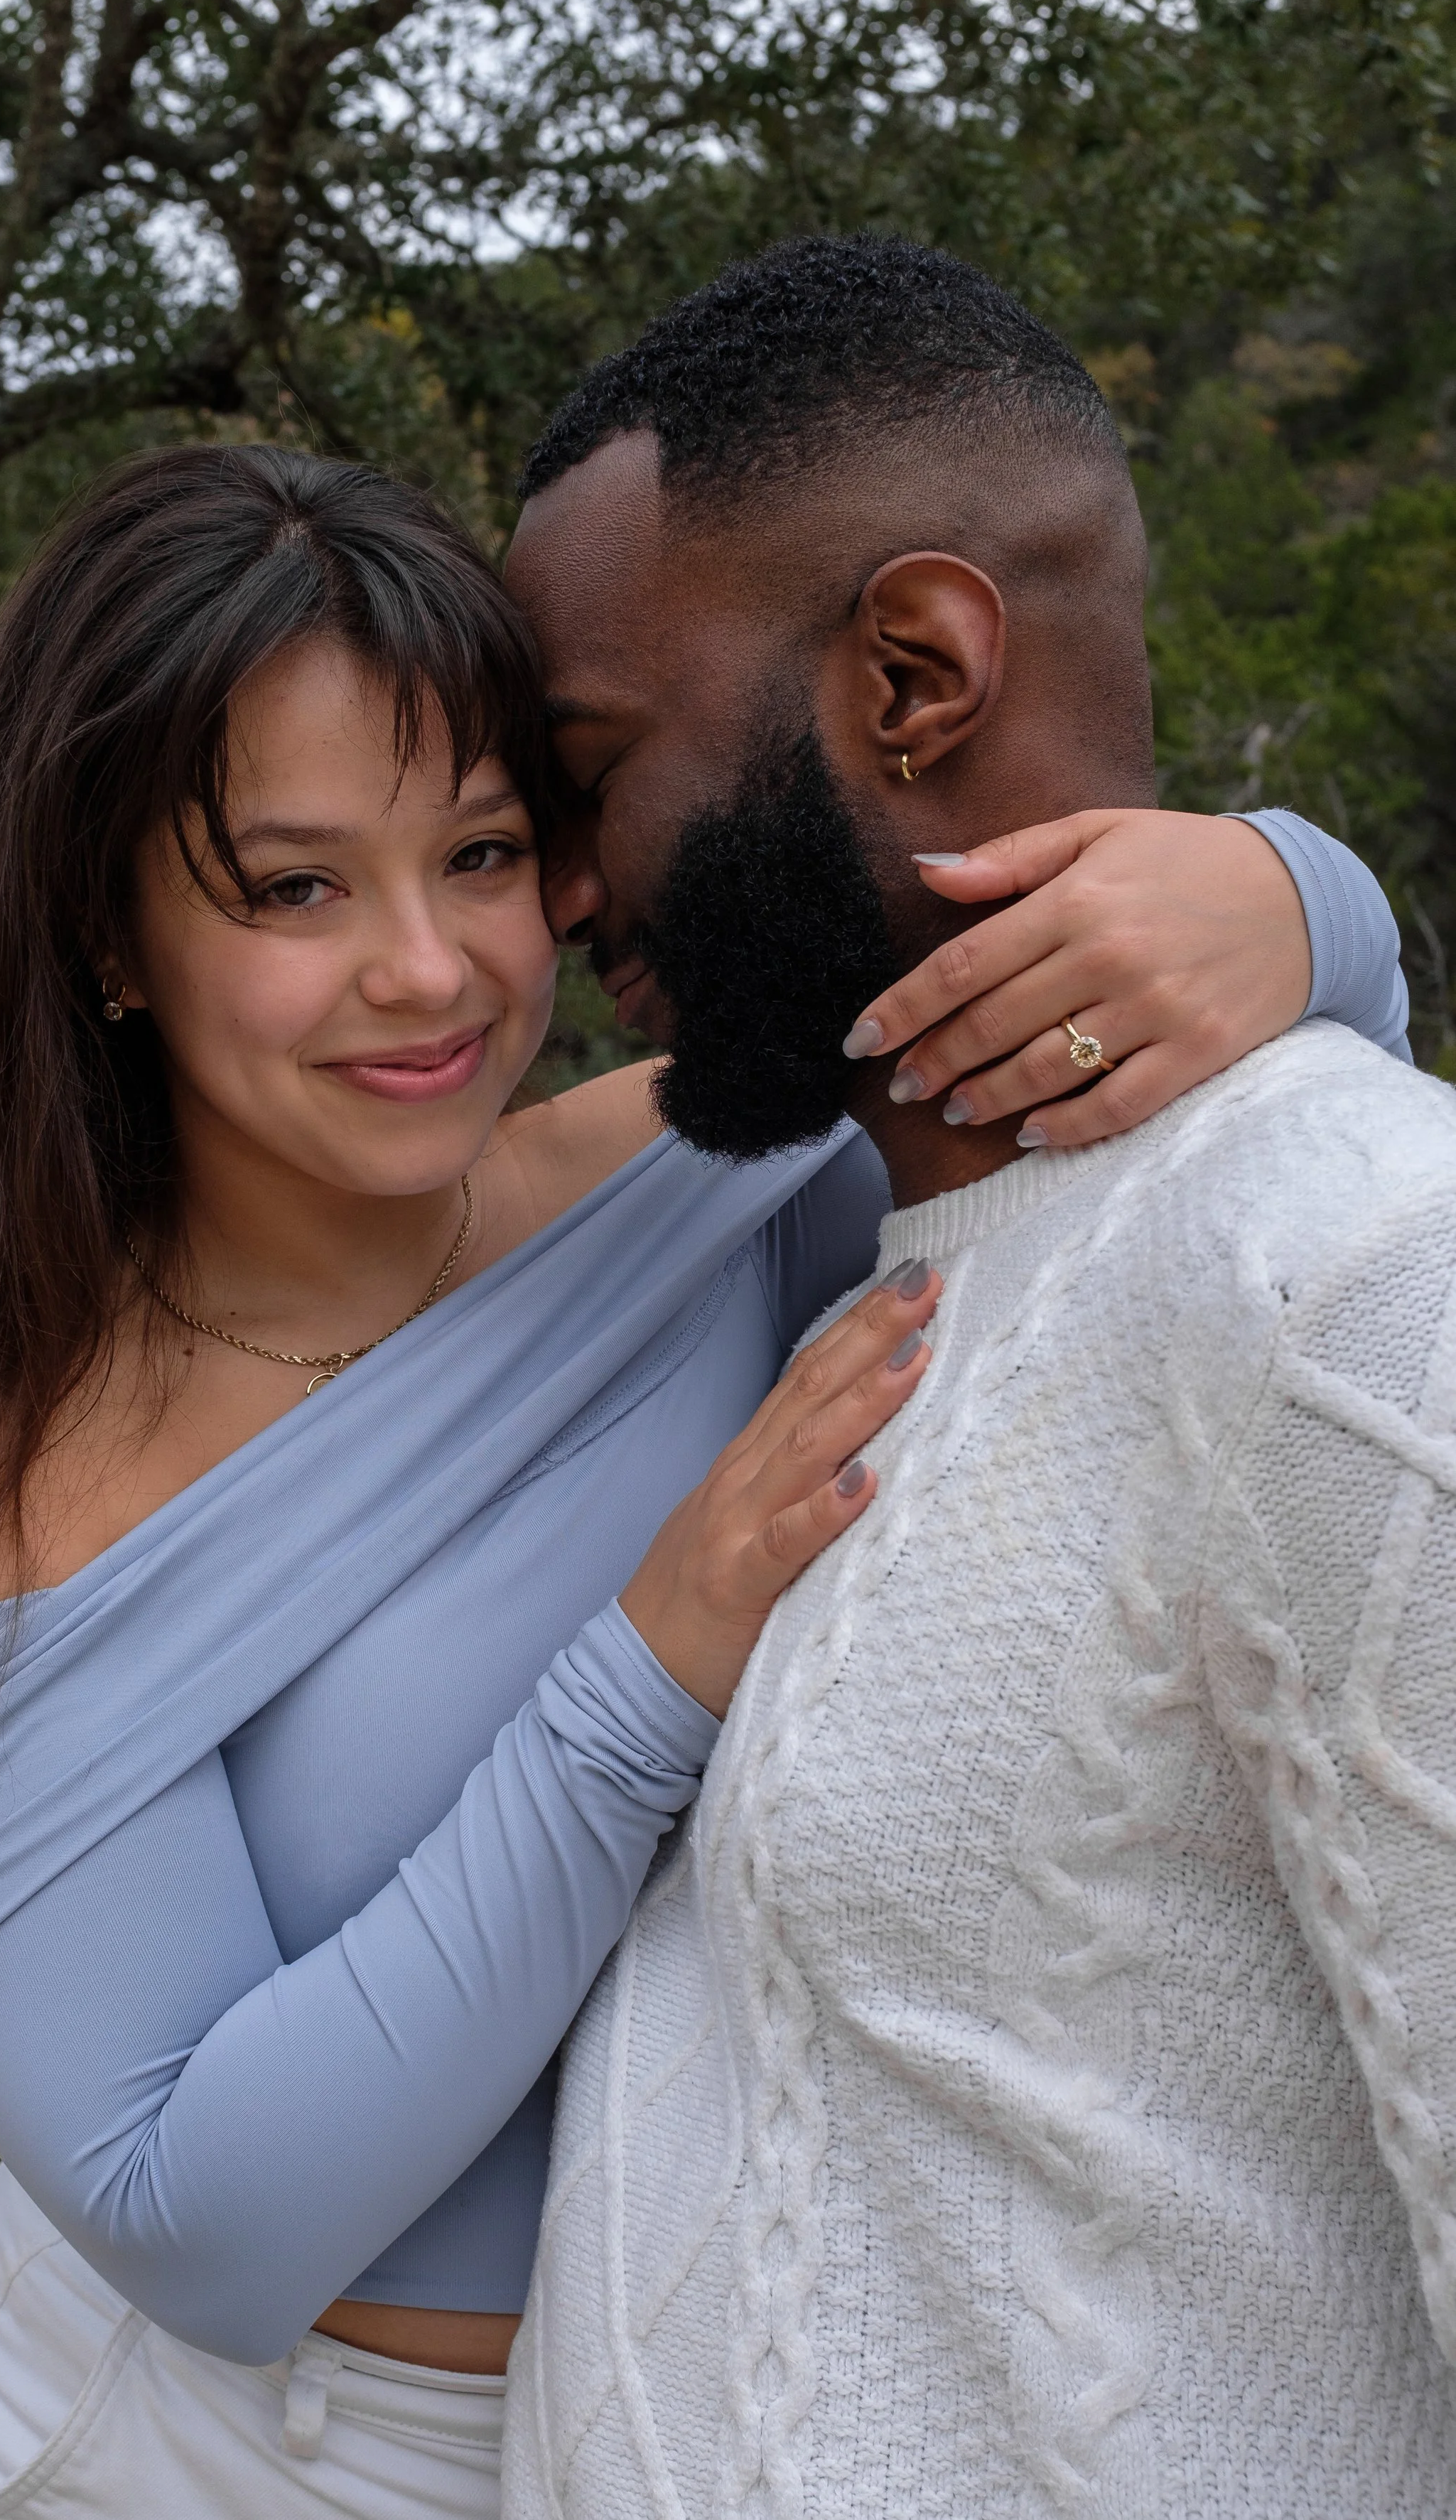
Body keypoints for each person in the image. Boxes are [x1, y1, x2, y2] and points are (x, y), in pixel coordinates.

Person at [0, 431, 1399, 2520]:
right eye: (296, 886)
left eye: (485, 855)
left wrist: (1291, 894)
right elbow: (202, 2218)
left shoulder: (721, 1174)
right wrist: (651, 1657)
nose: (428, 971)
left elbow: (1193, 1169)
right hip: (250, 2458)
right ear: (110, 934)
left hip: (706, 2405)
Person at [502, 234, 1456, 2518]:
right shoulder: (857, 1256)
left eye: (589, 770)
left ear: (913, 674)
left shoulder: (1344, 1271)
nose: (544, 894)